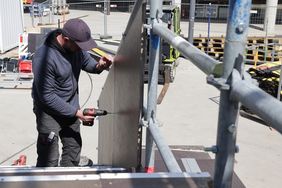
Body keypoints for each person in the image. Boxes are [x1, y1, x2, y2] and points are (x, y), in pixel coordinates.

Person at [32, 18, 112, 167]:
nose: (82, 49)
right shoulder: (44, 58)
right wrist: (77, 113)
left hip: (71, 106)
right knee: (49, 159)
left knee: (73, 150)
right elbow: (47, 96)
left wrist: (99, 66)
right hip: (48, 113)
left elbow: (87, 62)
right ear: (66, 39)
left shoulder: (75, 48)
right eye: (79, 45)